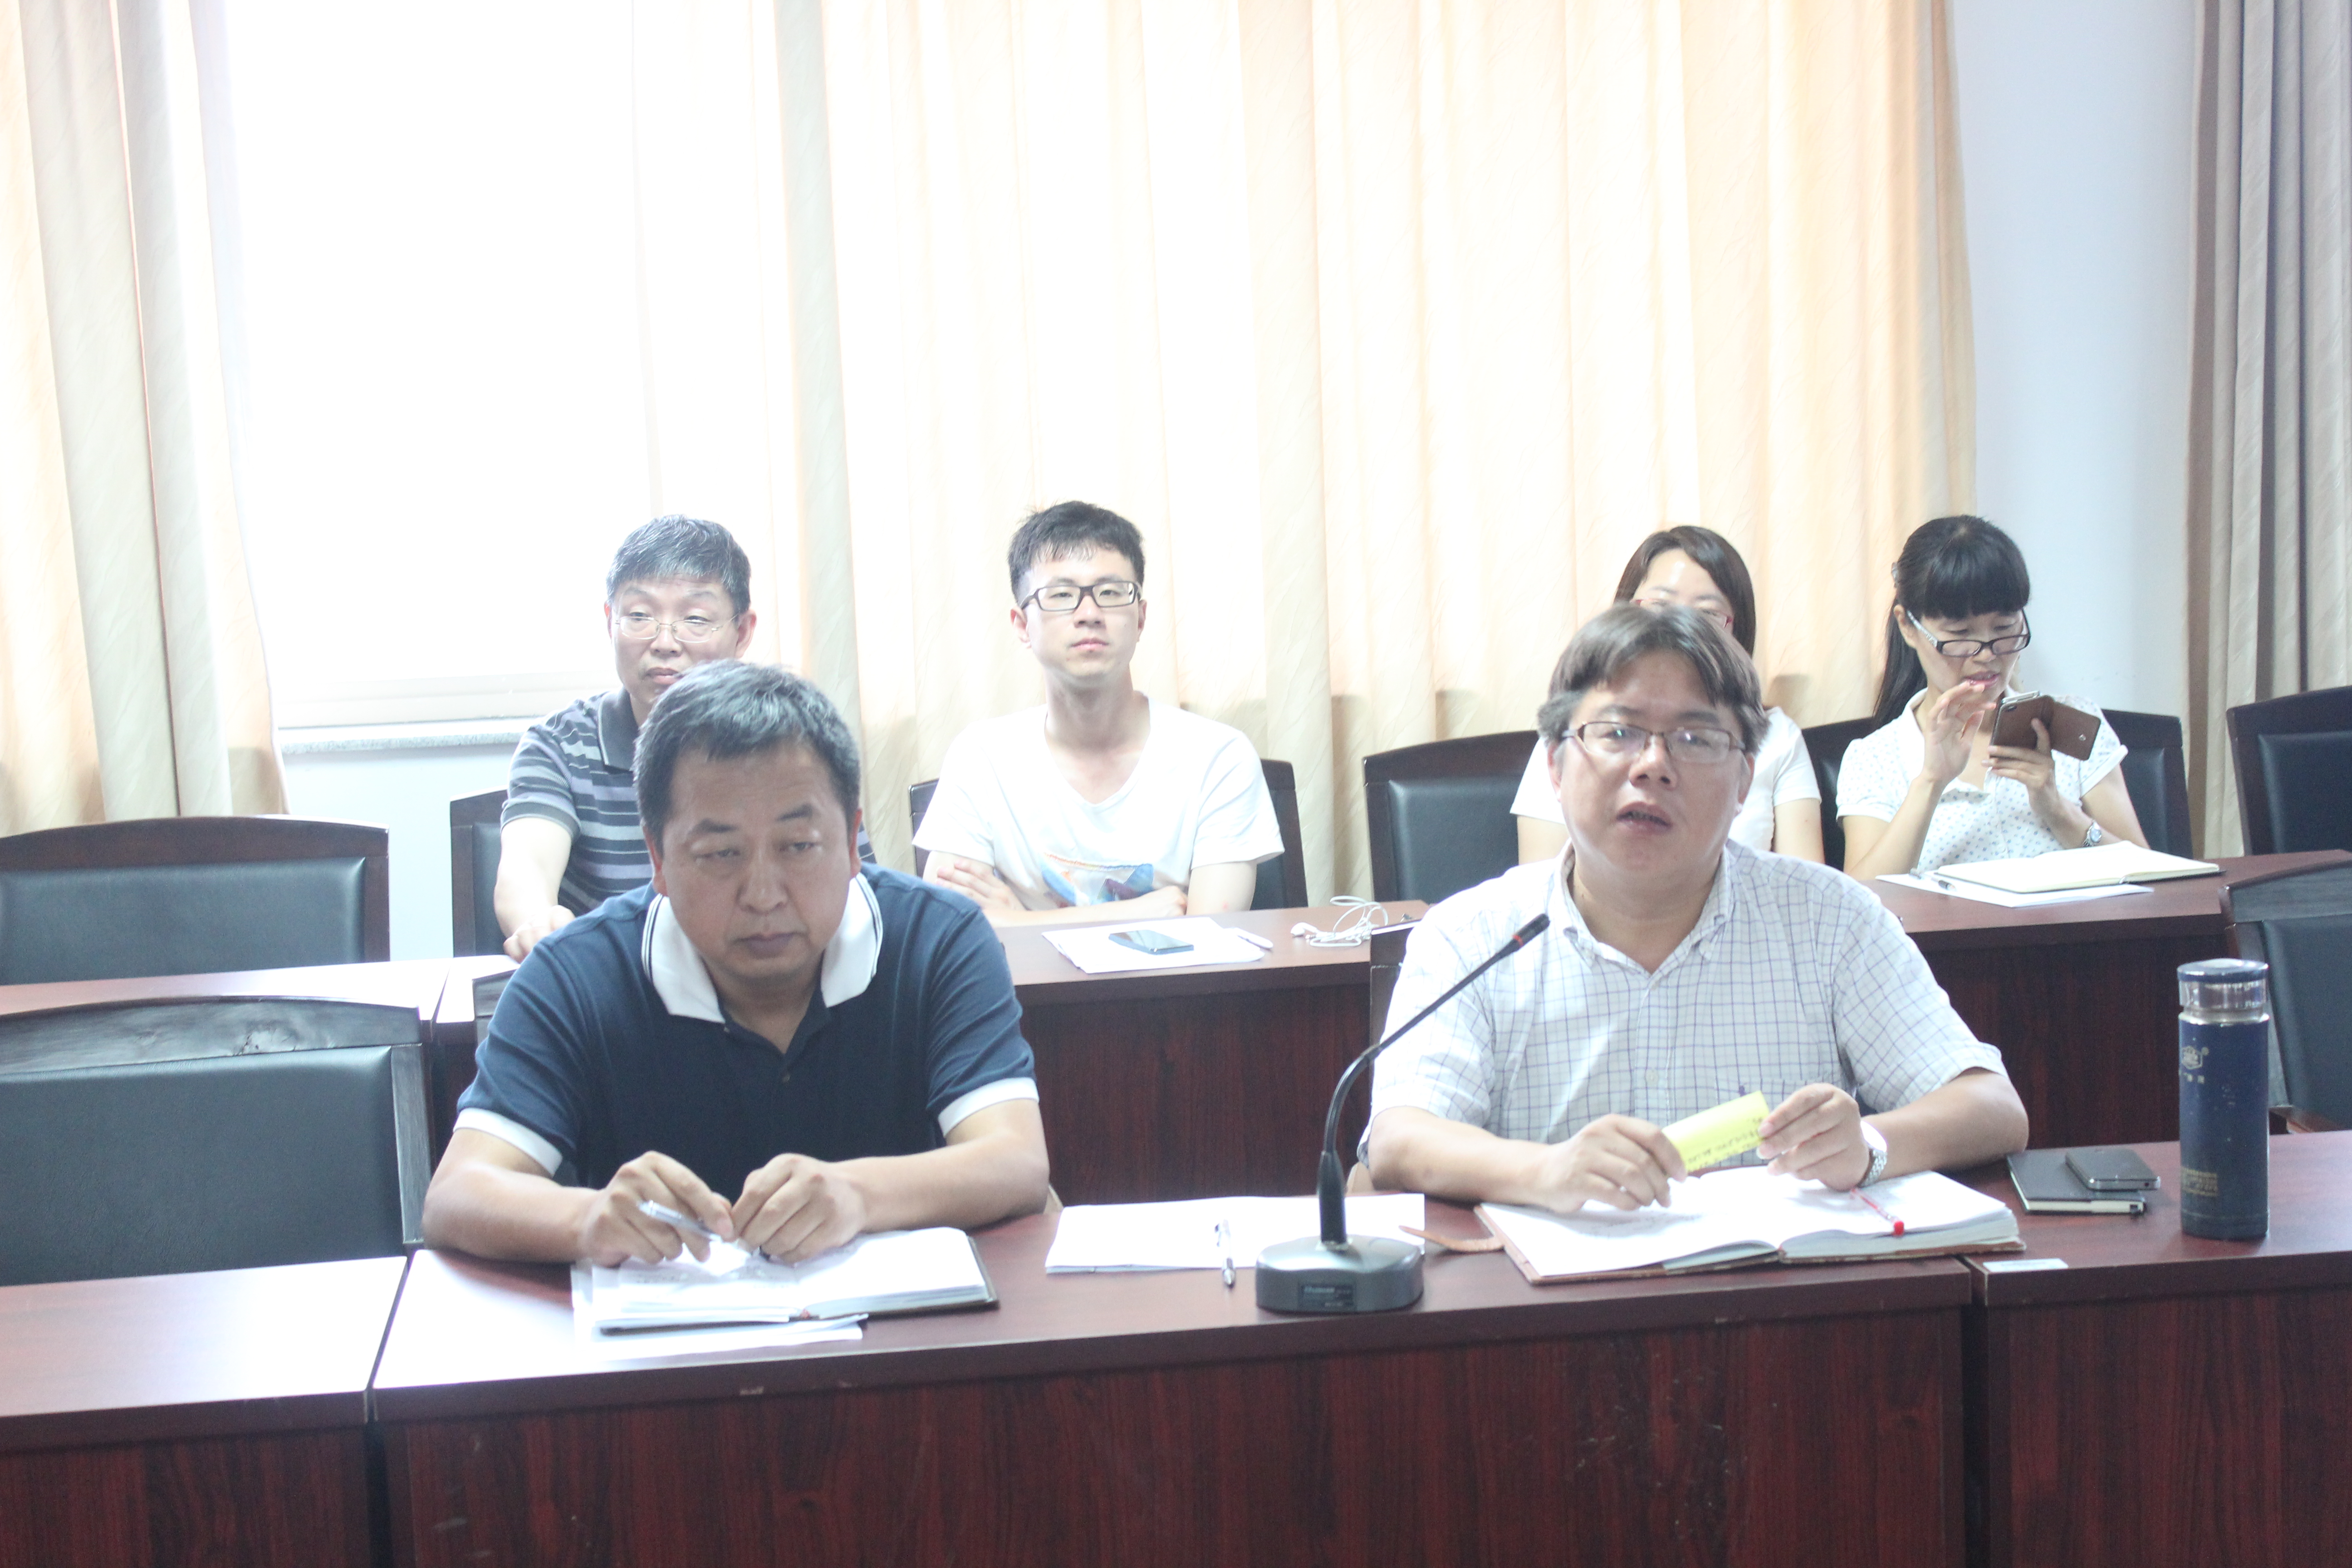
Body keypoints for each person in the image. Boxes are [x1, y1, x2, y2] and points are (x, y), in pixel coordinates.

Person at [1365, 604, 2028, 1214]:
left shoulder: (1831, 920)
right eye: (1618, 732)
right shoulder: (1470, 935)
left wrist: (1871, 1144)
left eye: (1695, 738)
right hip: (1548, 1296)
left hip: (1776, 1289)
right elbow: (1400, 1137)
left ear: (1744, 781)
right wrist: (1544, 1170)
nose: (1653, 765)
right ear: (1556, 768)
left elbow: (1992, 1105)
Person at [423, 661, 1051, 1266]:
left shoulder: (938, 940)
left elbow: (1015, 1159)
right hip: (668, 1336)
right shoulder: (576, 974)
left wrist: (859, 1195)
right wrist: (588, 1219)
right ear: (658, 859)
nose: (764, 894)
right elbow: (458, 1193)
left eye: (798, 845)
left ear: (851, 841)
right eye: (721, 854)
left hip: (903, 1331)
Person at [914, 501, 1284, 927]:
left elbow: (1206, 941)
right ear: (1021, 625)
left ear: (1141, 618)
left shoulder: (1219, 757)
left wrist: (1017, 922)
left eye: (1110, 593)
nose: (1089, 614)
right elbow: (945, 929)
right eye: (1061, 596)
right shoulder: (982, 758)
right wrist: (1139, 912)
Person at [495, 516, 760, 960]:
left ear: (742, 633)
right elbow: (527, 869)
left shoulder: (788, 744)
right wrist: (540, 924)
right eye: (639, 616)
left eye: (695, 619)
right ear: (610, 622)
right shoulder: (560, 746)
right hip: (611, 984)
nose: (665, 643)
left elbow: (851, 891)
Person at [1838, 515, 2147, 881]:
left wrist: (2059, 811)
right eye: (1960, 634)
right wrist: (1931, 782)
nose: (1987, 655)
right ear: (1908, 626)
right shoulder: (1875, 758)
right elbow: (1863, 899)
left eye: (2004, 628)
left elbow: (2151, 877)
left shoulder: (2069, 723)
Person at [1516, 527, 1822, 864]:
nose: (1680, 628)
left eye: (1707, 615)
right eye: (1660, 606)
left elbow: (1805, 880)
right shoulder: (1579, 730)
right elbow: (1543, 880)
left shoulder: (1777, 737)